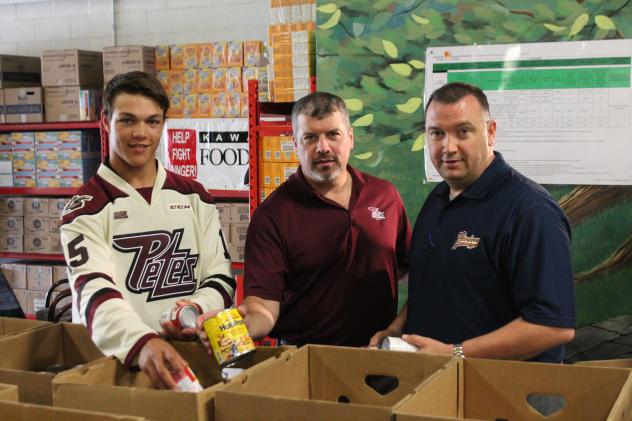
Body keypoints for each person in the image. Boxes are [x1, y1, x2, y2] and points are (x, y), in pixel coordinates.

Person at [370, 82, 575, 363]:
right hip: (440, 387)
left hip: (509, 395)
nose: (448, 147)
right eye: (437, 134)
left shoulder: (530, 211)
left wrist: (455, 353)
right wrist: (398, 328)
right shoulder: (438, 199)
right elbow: (434, 282)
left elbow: (553, 327)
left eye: (463, 132)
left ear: (490, 133)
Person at [60, 71, 234, 389]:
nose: (141, 133)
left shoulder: (194, 196)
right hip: (116, 374)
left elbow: (220, 280)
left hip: (191, 364)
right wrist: (141, 342)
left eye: (152, 121)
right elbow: (95, 294)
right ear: (105, 121)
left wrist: (195, 311)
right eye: (128, 121)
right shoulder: (86, 210)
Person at [199, 92, 410, 348]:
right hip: (304, 358)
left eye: (333, 134)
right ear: (296, 144)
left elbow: (405, 268)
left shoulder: (384, 195)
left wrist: (399, 327)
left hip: (380, 354)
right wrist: (243, 325)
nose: (323, 147)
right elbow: (263, 307)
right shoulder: (273, 216)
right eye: (310, 137)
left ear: (350, 138)